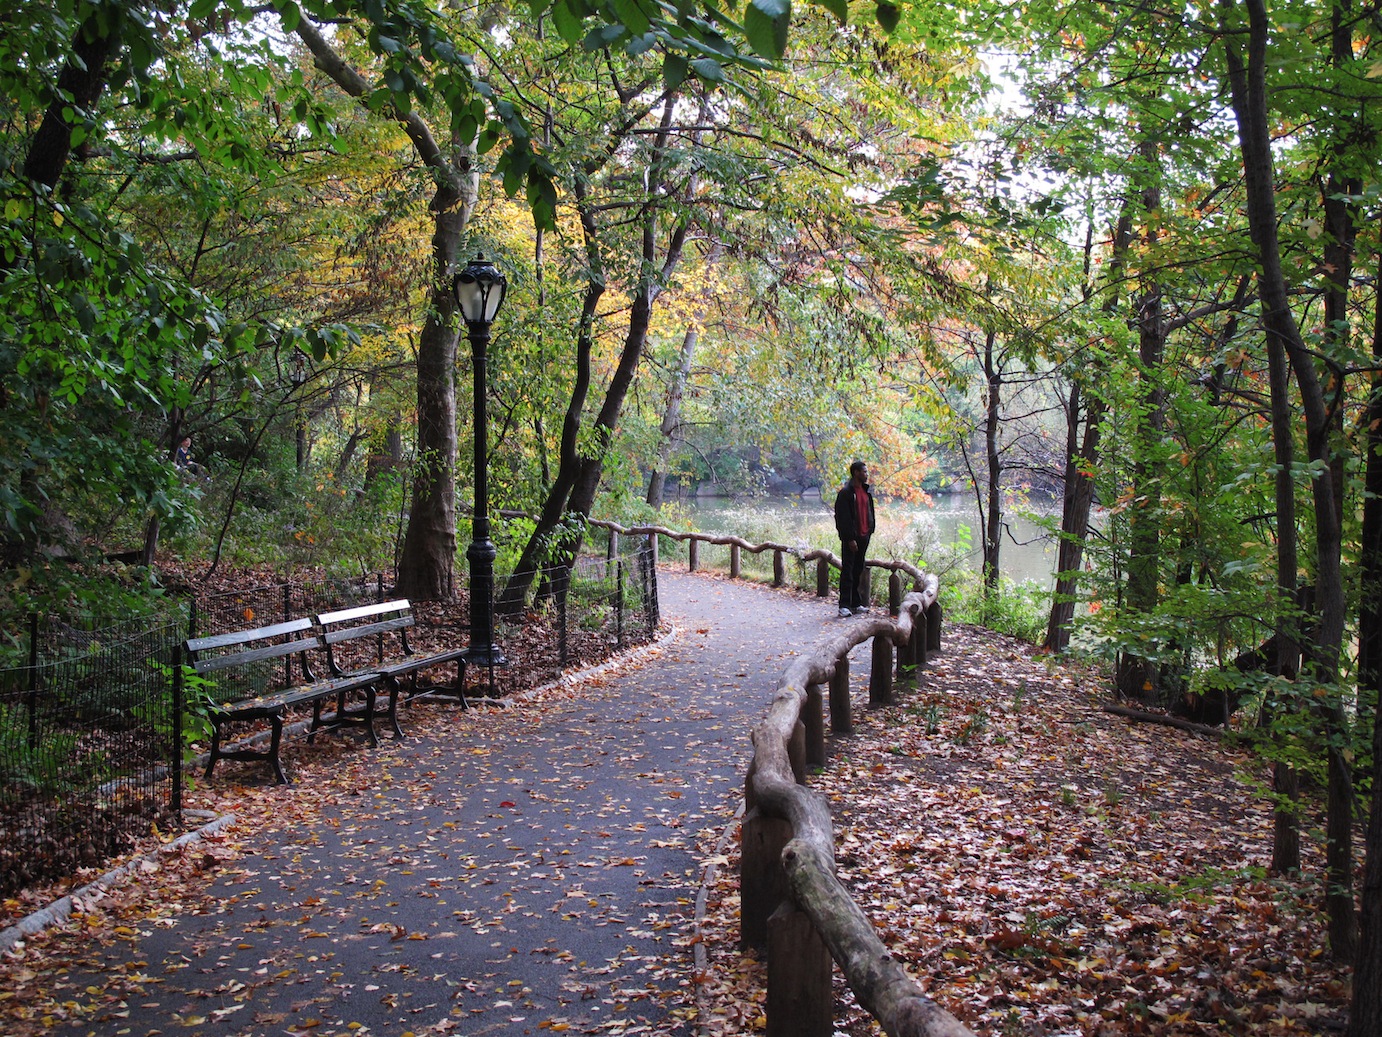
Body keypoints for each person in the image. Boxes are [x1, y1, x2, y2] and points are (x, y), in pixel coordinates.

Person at [833, 460, 876, 617]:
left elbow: (869, 513)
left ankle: (855, 603)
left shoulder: (865, 492)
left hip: (864, 536)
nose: (866, 474)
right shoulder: (846, 493)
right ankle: (843, 604)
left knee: (858, 570)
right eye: (864, 472)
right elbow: (842, 518)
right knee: (848, 571)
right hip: (851, 538)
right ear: (856, 473)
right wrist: (849, 538)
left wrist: (870, 530)